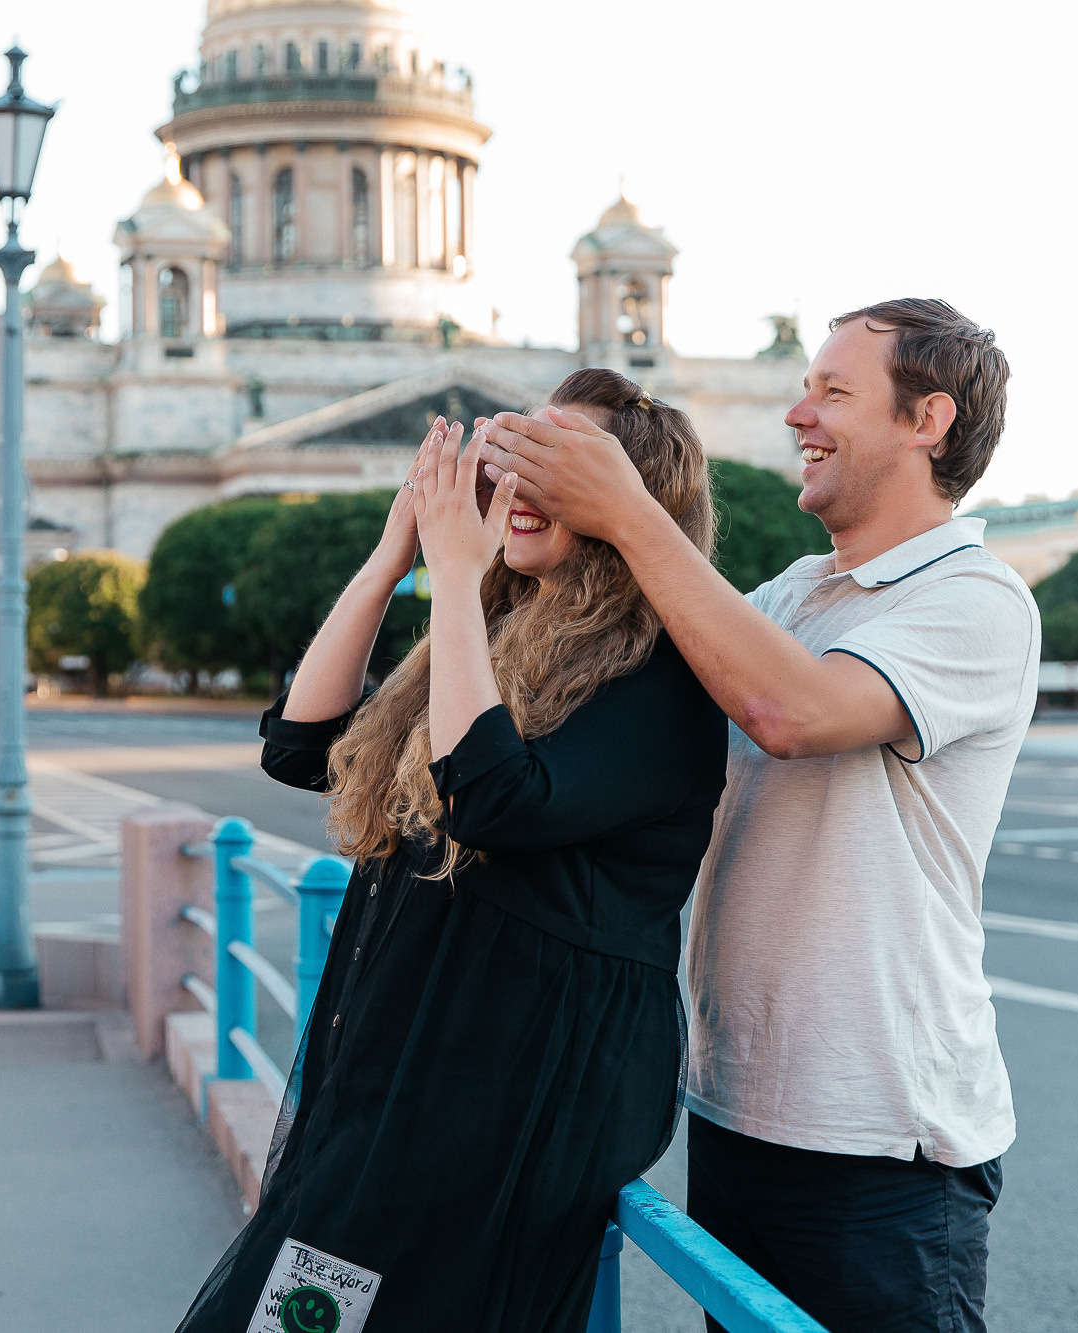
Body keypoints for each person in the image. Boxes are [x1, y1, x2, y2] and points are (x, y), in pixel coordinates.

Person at [476, 300, 1034, 1333]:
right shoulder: (786, 597)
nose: (795, 413)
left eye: (831, 391)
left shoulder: (974, 597)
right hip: (738, 1109)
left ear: (927, 421)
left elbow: (790, 710)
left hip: (878, 1137)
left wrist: (630, 511)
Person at [175, 368, 729, 1333]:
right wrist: (398, 554)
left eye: (548, 462)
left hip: (513, 1087)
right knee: (302, 1309)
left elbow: (491, 797)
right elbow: (302, 745)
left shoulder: (660, 675)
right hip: (407, 1066)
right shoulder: (503, 634)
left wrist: (460, 581)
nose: (512, 482)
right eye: (508, 455)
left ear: (627, 493)